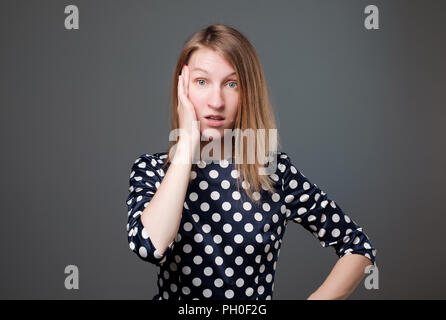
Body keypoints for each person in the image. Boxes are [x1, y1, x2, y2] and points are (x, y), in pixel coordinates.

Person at [125, 24, 377, 300]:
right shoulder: (152, 169)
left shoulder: (272, 172)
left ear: (249, 92)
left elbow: (358, 246)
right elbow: (150, 246)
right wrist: (186, 145)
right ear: (182, 88)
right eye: (201, 82)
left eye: (232, 84)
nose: (216, 101)